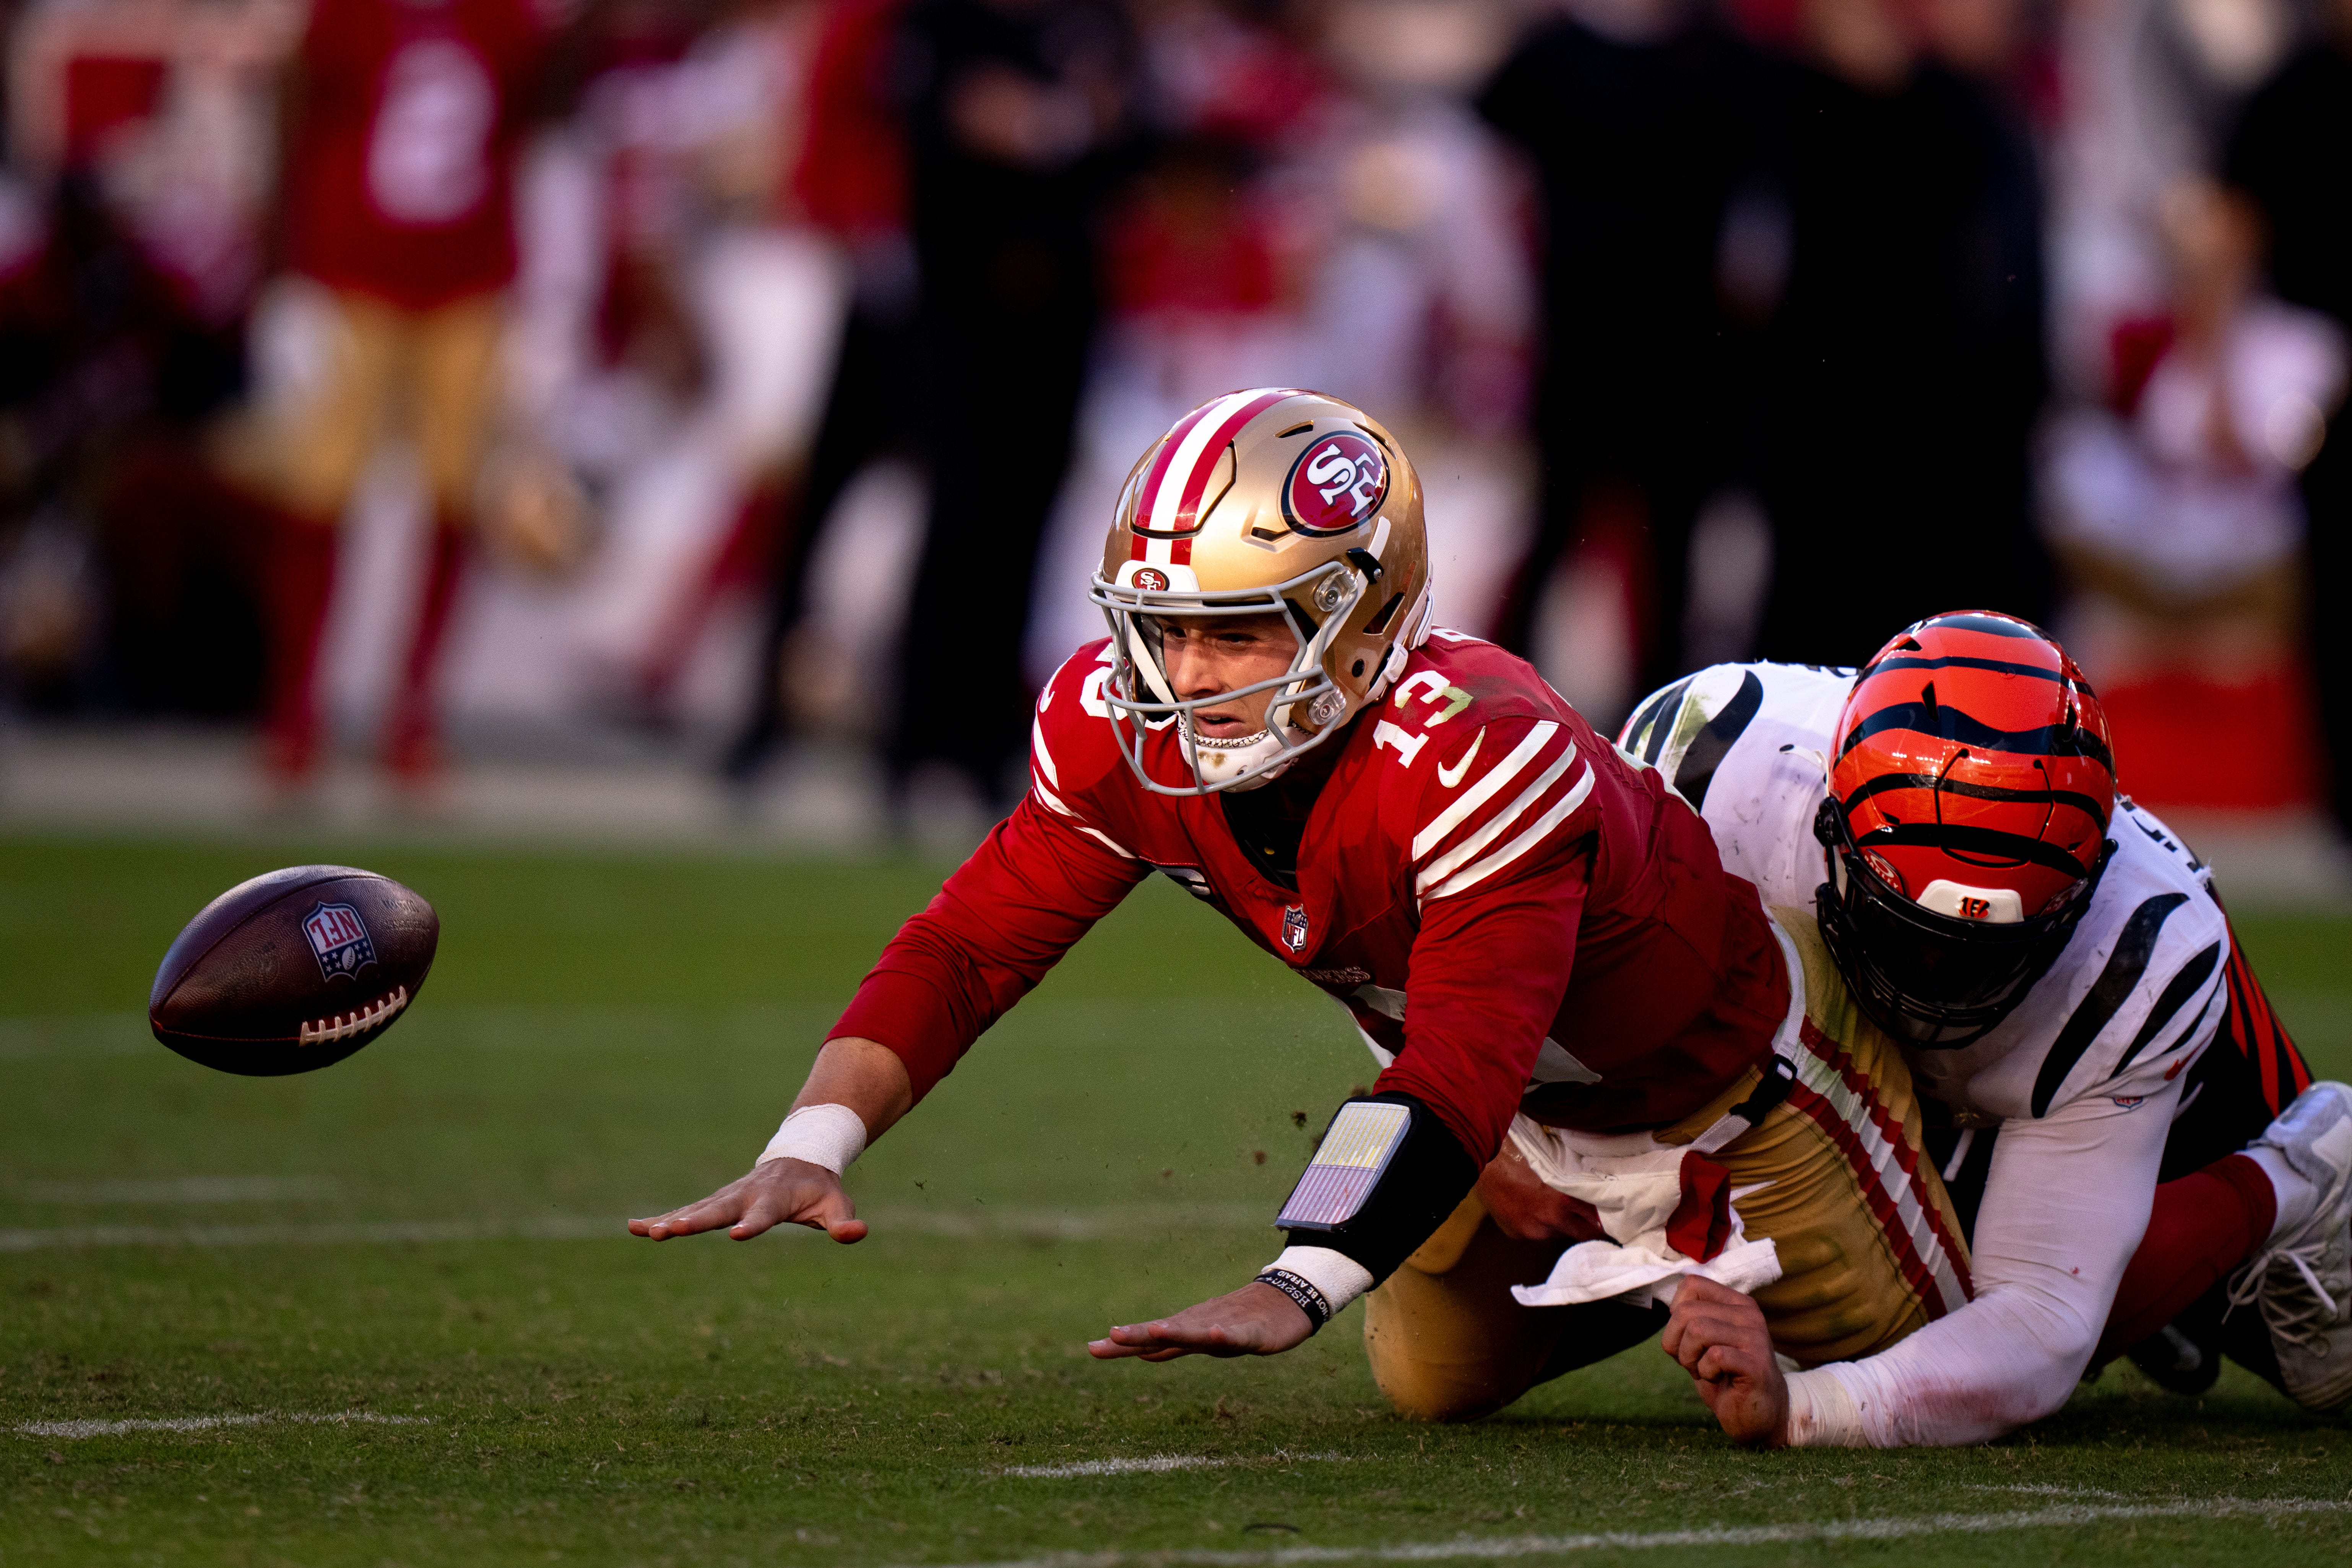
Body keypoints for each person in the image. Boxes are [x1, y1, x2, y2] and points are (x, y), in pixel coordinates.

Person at [630, 388, 1972, 1418]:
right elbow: (971, 947)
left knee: (1940, 1371)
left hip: (1734, 1093)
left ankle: (2001, 1176)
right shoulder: (1120, 731)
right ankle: (1635, 1278)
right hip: (1513, 1112)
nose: (1190, 674)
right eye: (1166, 630)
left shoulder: (1476, 745)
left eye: (1242, 629)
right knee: (1431, 1389)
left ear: (1367, 611)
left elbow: (1455, 1060)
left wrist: (1298, 1279)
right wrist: (816, 1139)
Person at [1616, 610, 2350, 1445]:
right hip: (1966, 1067)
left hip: (2189, 1092)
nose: (1931, 981)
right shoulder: (1711, 767)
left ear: (2079, 890)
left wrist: (1808, 1408)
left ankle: (2292, 1177)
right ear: (1831, 823)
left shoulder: (2138, 949)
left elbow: (2037, 1323)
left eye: (1974, 954)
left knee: (1938, 1320)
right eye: (1908, 933)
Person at [236, 0, 546, 787]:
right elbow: (295, 112)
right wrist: (282, 270)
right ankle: (296, 711)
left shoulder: (505, 16)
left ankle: (412, 716)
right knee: (318, 490)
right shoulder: (346, 13)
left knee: (453, 495)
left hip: (469, 273)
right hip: (352, 269)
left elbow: (542, 111)